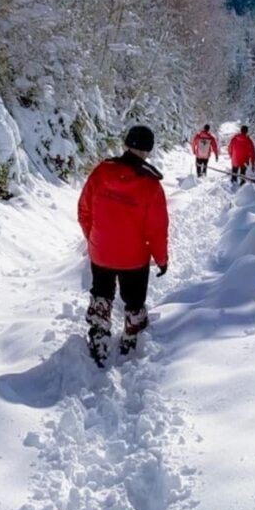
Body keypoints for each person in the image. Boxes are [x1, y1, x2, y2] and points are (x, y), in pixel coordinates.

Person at [77, 124, 169, 366]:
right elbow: (157, 229)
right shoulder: (151, 185)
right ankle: (132, 334)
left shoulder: (101, 172)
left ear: (126, 144)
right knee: (134, 299)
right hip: (134, 257)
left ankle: (98, 333)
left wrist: (94, 237)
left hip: (101, 252)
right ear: (148, 150)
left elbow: (84, 210)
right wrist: (161, 259)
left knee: (101, 293)